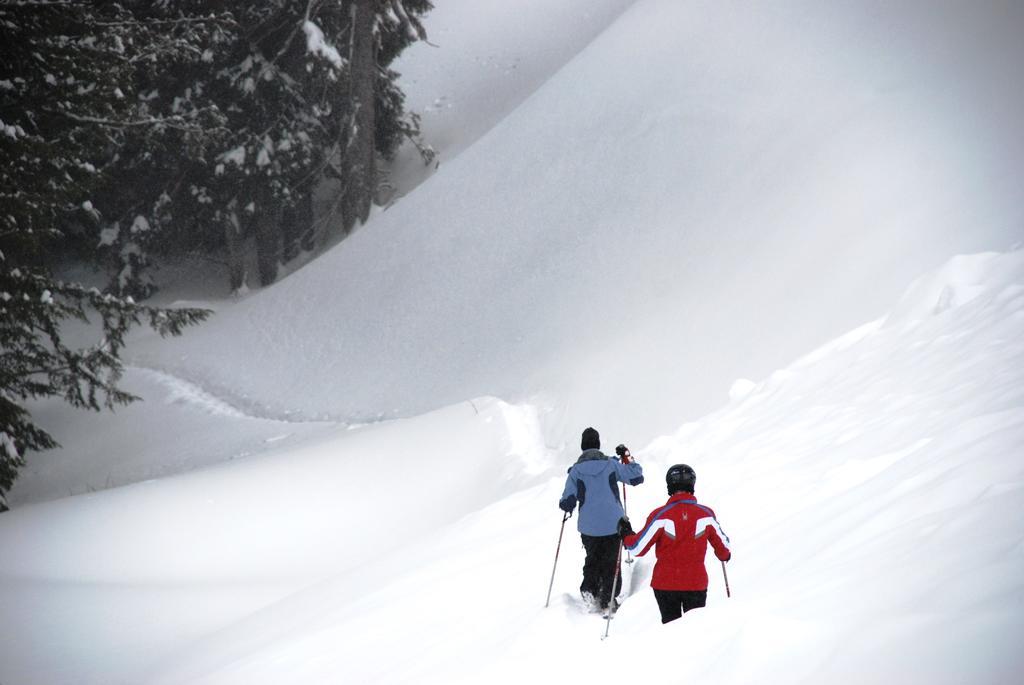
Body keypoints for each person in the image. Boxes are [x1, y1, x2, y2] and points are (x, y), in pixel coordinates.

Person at [618, 463, 731, 624]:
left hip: (665, 584)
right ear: (692, 484)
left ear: (669, 485)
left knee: (670, 629)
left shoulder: (660, 515)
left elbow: (637, 548)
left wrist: (626, 533)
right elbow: (724, 550)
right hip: (696, 583)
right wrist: (724, 555)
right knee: (695, 629)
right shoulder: (706, 514)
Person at [558, 427, 643, 611]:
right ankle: (609, 598)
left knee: (593, 558)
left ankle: (590, 588)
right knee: (612, 560)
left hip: (588, 526)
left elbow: (567, 501)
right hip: (614, 524)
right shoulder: (611, 465)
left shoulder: (576, 471)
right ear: (598, 444)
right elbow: (636, 477)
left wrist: (568, 502)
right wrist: (627, 456)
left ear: (582, 447)